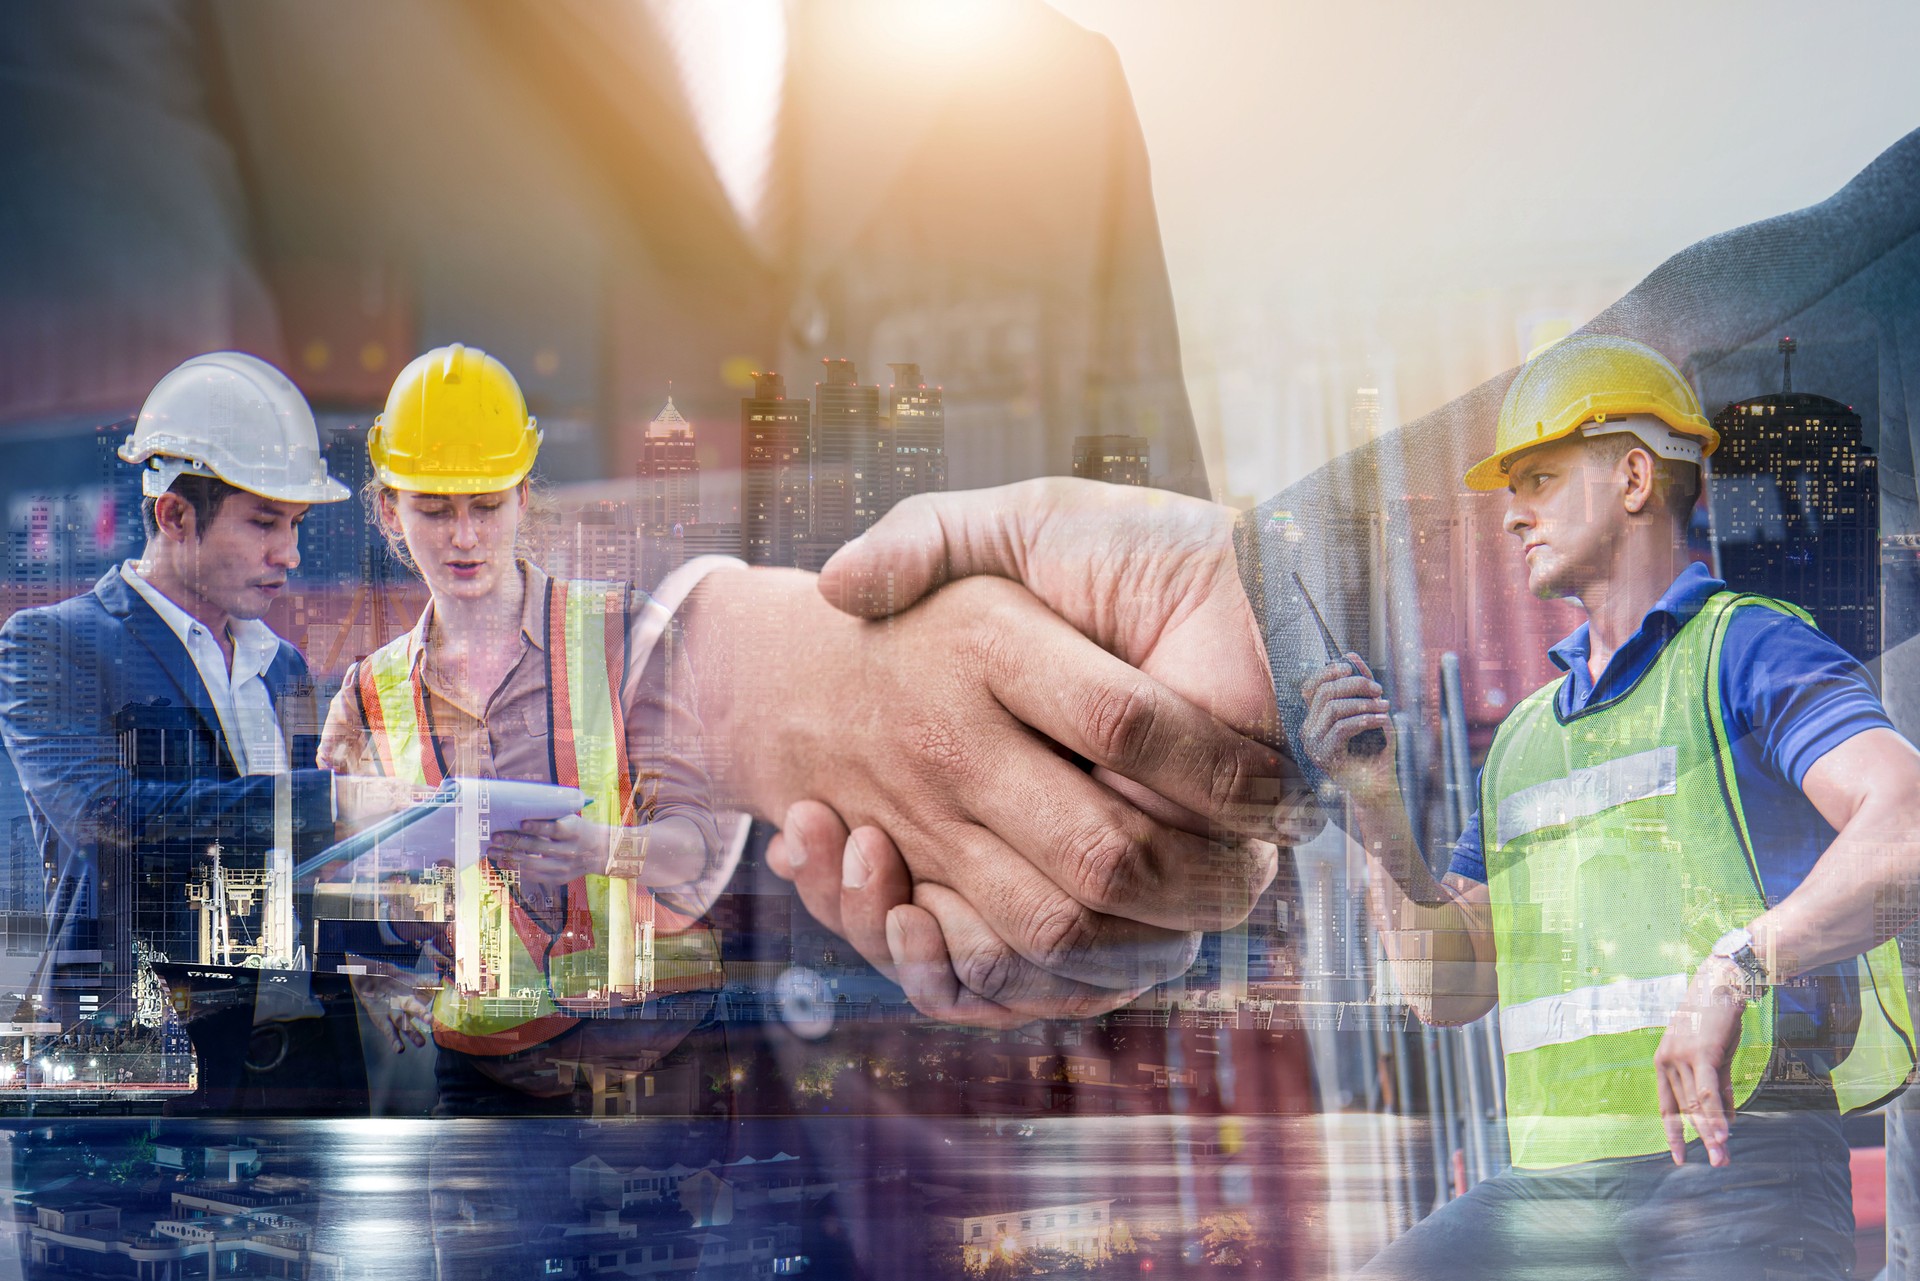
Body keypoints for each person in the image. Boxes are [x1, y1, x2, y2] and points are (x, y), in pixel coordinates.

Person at [799, 337, 1920, 1279]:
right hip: (1563, 1193)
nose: (1514, 515)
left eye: (1540, 480)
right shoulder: (1531, 735)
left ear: (1633, 479)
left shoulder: (1749, 648)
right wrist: (1374, 802)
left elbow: (1905, 827)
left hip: (1742, 1175)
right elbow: (1448, 992)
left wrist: (1741, 967)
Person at [319, 343, 734, 1114]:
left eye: (486, 505)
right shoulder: (369, 697)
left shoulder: (626, 634)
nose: (464, 538)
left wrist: (607, 848)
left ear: (523, 498)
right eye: (434, 510)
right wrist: (383, 962)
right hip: (487, 1075)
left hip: (654, 1054)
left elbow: (701, 848)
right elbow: (338, 891)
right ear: (389, 510)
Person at [0, 351, 404, 1092]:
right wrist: (328, 801)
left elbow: (300, 865)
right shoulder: (51, 642)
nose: (289, 552)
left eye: (295, 524)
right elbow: (104, 818)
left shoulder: (282, 666)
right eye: (263, 523)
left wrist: (382, 959)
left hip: (305, 1068)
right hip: (145, 1074)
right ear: (174, 515)